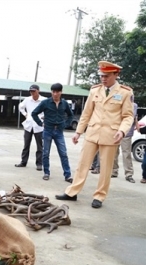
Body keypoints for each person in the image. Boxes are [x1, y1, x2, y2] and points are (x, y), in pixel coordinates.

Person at [55, 61, 134, 209]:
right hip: (92, 132)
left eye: (107, 76)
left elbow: (128, 116)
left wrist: (122, 130)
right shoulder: (94, 90)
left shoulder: (125, 92)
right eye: (101, 76)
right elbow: (86, 113)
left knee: (105, 168)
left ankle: (99, 196)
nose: (103, 79)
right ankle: (72, 192)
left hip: (111, 135)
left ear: (116, 74)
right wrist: (78, 132)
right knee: (82, 164)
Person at [31, 83, 73, 182]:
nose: (55, 94)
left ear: (61, 92)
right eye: (53, 92)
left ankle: (68, 175)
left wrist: (65, 124)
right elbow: (34, 113)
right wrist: (40, 123)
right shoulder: (45, 103)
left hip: (59, 131)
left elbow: (70, 115)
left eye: (57, 92)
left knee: (63, 153)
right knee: (45, 153)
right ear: (51, 92)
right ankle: (46, 173)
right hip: (48, 131)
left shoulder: (65, 103)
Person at [15, 84, 46, 170]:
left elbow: (49, 109)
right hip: (29, 125)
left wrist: (45, 116)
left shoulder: (44, 100)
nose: (32, 93)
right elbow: (20, 107)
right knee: (26, 145)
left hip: (39, 126)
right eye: (31, 91)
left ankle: (39, 164)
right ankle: (23, 162)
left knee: (40, 146)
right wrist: (25, 114)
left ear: (38, 91)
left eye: (34, 91)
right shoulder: (27, 100)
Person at [111, 98, 138, 182]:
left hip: (126, 132)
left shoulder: (133, 105)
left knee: (126, 154)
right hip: (115, 131)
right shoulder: (117, 103)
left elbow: (132, 117)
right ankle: (114, 171)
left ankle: (129, 174)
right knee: (114, 153)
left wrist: (137, 125)